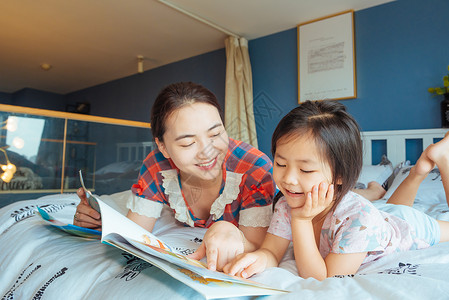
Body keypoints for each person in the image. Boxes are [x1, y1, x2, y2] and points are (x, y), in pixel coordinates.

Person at [223, 100, 449, 281]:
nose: (289, 179)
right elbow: (272, 251)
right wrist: (257, 259)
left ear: (340, 175)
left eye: (306, 169)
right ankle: (417, 172)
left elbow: (325, 278)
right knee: (391, 208)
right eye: (281, 164)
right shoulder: (286, 204)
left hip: (410, 227)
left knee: (406, 214)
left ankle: (442, 160)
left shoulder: (358, 218)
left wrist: (301, 221)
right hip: (383, 215)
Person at [73, 81, 275, 271]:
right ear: (163, 147)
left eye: (215, 134)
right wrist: (100, 221)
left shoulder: (254, 168)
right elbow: (135, 232)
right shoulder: (157, 166)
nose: (207, 151)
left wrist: (231, 233)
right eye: (188, 143)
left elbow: (257, 245)